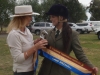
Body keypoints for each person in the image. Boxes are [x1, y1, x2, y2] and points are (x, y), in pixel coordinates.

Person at [38, 4, 98, 75]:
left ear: (61, 18)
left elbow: (80, 54)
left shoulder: (72, 34)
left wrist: (92, 66)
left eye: (53, 17)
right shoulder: (48, 33)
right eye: (50, 17)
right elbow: (44, 52)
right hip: (45, 71)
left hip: (61, 72)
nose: (50, 19)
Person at [7, 5, 48, 75]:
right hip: (22, 72)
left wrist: (34, 43)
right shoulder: (13, 35)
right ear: (22, 18)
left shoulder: (27, 31)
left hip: (31, 69)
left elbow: (25, 46)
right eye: (29, 16)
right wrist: (35, 47)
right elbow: (18, 58)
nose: (31, 19)